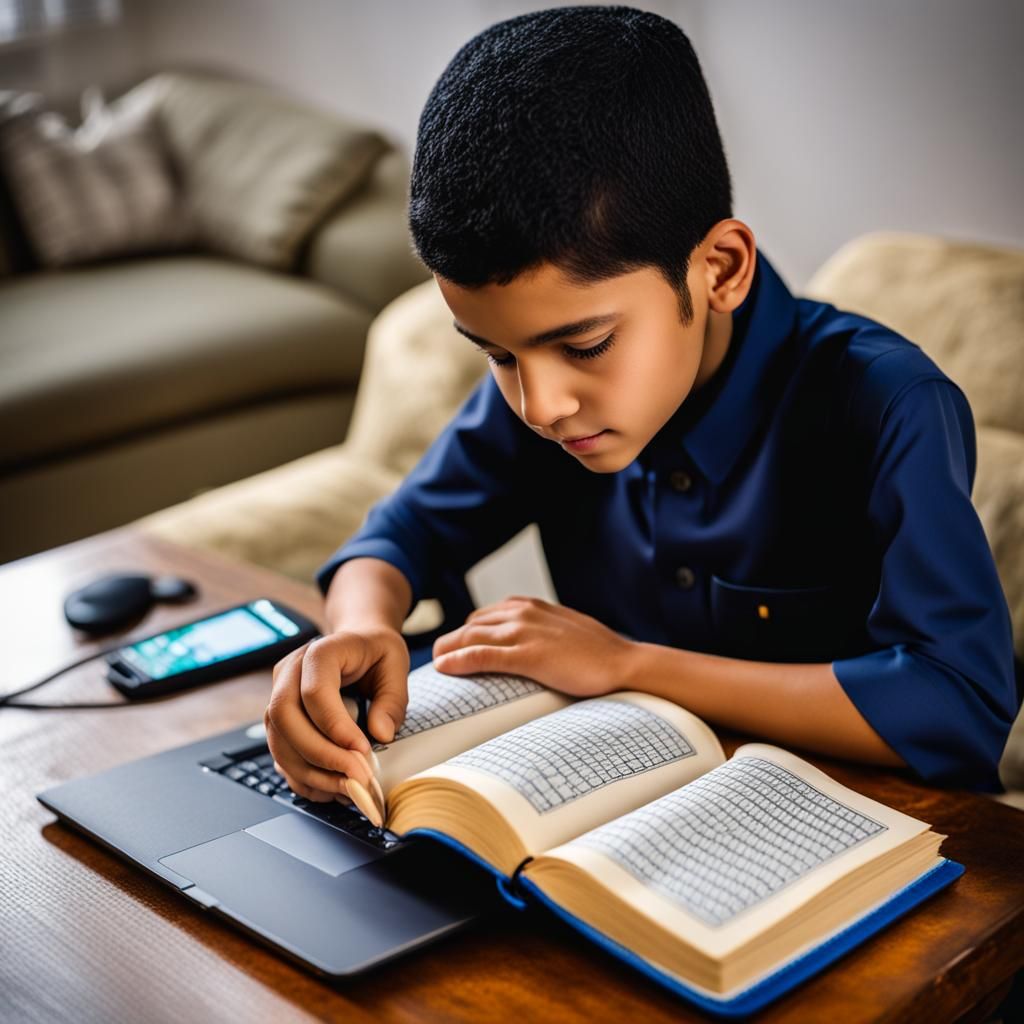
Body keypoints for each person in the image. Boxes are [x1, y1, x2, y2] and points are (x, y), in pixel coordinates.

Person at [264, 5, 1018, 807]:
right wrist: (357, 625)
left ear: (720, 269)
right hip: (610, 812)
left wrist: (627, 664)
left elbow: (957, 705)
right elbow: (401, 533)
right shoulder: (549, 398)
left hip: (856, 839)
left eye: (585, 347)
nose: (540, 406)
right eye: (496, 354)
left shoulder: (885, 404)